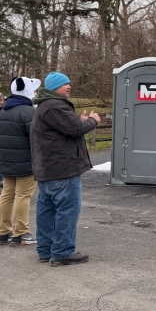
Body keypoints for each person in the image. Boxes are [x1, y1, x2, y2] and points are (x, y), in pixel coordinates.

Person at [31, 71, 99, 266]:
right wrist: (92, 121)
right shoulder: (55, 106)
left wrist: (79, 121)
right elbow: (75, 129)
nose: (69, 86)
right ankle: (62, 252)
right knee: (67, 210)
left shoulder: (45, 106)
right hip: (62, 169)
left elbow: (67, 128)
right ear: (55, 88)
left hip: (47, 169)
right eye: (65, 84)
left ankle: (46, 250)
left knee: (47, 211)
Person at [0, 77, 41, 246]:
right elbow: (36, 136)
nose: (35, 93)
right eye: (34, 90)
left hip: (6, 159)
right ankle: (21, 233)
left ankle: (3, 232)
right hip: (25, 161)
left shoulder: (4, 110)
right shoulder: (28, 111)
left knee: (7, 195)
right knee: (23, 196)